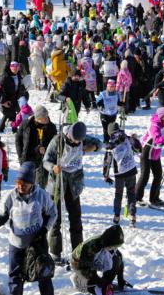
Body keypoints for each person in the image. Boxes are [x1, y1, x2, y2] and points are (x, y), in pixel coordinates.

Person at [0, 162, 57, 295]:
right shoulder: (11, 196)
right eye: (18, 182)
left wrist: (44, 230)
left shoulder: (41, 195)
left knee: (44, 273)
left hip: (37, 242)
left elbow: (53, 213)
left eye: (24, 184)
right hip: (17, 243)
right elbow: (3, 214)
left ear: (31, 183)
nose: (20, 186)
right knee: (15, 277)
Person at [43, 121, 101, 260]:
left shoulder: (82, 139)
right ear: (69, 135)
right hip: (57, 183)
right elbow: (45, 161)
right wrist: (53, 168)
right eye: (75, 140)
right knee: (55, 219)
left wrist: (93, 148)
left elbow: (99, 143)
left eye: (79, 141)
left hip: (74, 185)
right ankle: (55, 252)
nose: (77, 142)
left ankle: (78, 252)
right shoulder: (57, 141)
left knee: (76, 219)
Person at [135, 107, 164, 208]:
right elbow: (157, 139)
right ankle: (136, 197)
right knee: (145, 175)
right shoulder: (154, 125)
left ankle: (154, 198)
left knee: (158, 175)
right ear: (162, 116)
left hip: (155, 152)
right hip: (147, 151)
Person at [69, 225, 130, 295]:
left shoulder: (110, 245)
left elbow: (119, 258)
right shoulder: (91, 247)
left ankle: (106, 283)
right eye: (114, 246)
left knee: (116, 260)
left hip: (95, 259)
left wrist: (120, 279)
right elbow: (85, 268)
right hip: (79, 262)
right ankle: (78, 280)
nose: (115, 248)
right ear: (109, 242)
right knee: (91, 284)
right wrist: (98, 281)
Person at [102, 122, 142, 226]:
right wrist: (135, 140)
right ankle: (132, 216)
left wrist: (106, 175)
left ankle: (116, 216)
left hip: (119, 173)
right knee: (131, 193)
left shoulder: (110, 144)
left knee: (118, 194)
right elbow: (138, 147)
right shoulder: (127, 138)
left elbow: (107, 161)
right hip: (131, 169)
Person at [15, 105, 57, 188]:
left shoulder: (51, 127)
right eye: (44, 117)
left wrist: (46, 149)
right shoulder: (26, 125)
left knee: (39, 187)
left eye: (47, 116)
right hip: (28, 159)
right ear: (37, 118)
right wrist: (20, 157)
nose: (47, 118)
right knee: (26, 186)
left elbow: (54, 144)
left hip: (43, 161)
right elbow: (18, 141)